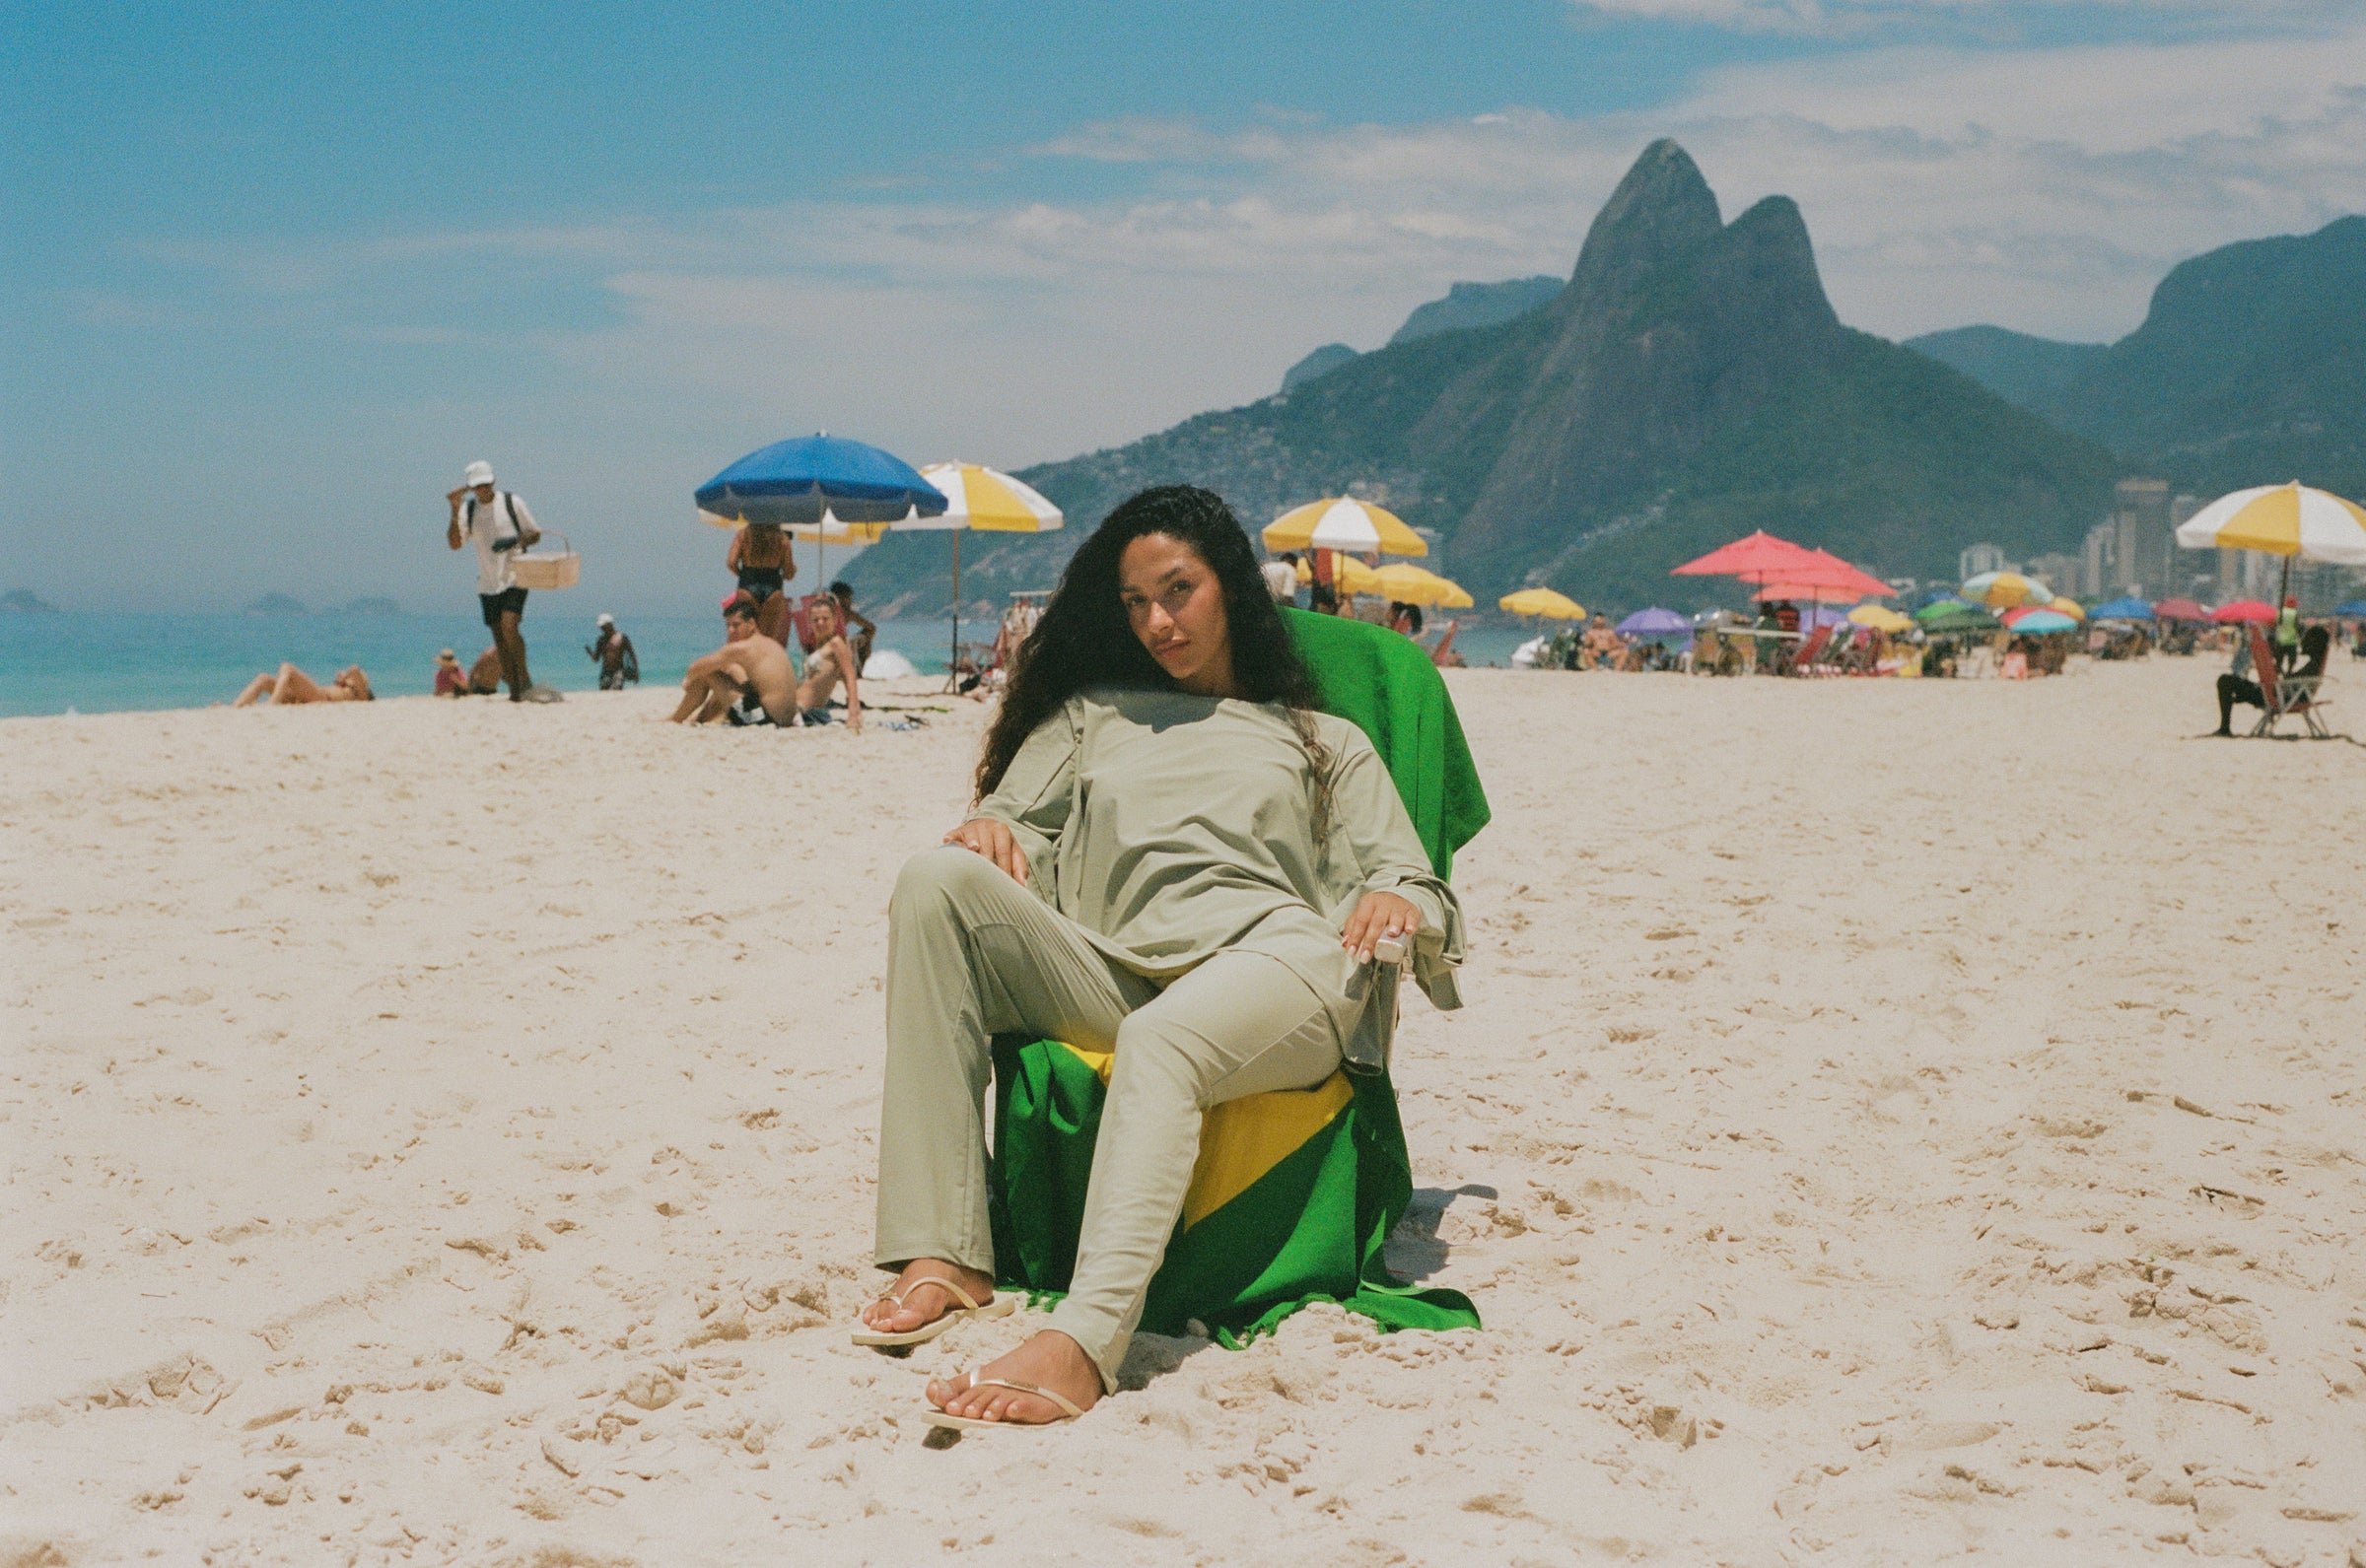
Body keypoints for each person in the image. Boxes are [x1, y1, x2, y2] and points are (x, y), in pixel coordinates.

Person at [854, 485, 1464, 1431]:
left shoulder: (1320, 738)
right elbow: (1012, 817)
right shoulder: (1091, 716)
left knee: (1163, 1040)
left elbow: (1414, 882)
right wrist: (990, 831)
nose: (1158, 622)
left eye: (1179, 590)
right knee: (933, 882)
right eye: (1136, 602)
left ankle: (1084, 1338)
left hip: (1279, 966)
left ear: (1232, 588)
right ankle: (944, 1251)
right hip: (1116, 968)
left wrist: (1397, 898)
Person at [445, 460, 559, 703]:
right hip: (488, 583)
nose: (483, 489)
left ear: (493, 481)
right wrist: (454, 510)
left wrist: (515, 541)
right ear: (471, 488)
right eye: (478, 486)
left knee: (510, 625)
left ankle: (525, 679)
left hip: (515, 576)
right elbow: (455, 544)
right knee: (499, 636)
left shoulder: (511, 502)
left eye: (486, 484)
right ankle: (515, 688)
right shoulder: (469, 510)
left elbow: (535, 533)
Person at [668, 593, 798, 725]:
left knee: (709, 673)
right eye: (728, 625)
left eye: (736, 625)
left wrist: (688, 681)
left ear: (751, 624)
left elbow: (695, 668)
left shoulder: (742, 648)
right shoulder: (771, 644)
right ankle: (699, 719)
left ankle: (675, 719)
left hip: (764, 720)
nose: (730, 630)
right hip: (785, 720)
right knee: (728, 680)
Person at [2214, 624, 2329, 735]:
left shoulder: (2312, 667)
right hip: (2279, 695)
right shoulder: (2313, 666)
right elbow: (2290, 682)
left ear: (2314, 643)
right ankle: (2229, 717)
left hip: (2275, 697)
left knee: (2225, 680)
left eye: (2306, 639)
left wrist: (2278, 675)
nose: (2302, 642)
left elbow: (2289, 683)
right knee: (2229, 681)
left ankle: (2225, 727)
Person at [796, 596, 865, 730]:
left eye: (825, 619)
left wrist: (853, 713)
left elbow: (849, 677)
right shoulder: (819, 648)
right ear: (810, 623)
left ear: (835, 620)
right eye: (815, 620)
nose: (820, 623)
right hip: (796, 708)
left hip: (807, 712)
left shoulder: (836, 644)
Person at [726, 522, 797, 647]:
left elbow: (731, 563)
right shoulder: (782, 538)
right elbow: (789, 573)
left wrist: (742, 574)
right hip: (773, 588)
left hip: (747, 585)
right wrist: (789, 572)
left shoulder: (743, 535)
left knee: (744, 641)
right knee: (767, 643)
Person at [234, 663, 373, 707]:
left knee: (287, 667)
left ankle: (272, 703)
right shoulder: (342, 688)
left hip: (321, 698)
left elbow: (355, 669)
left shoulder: (360, 694)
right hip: (303, 698)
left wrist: (345, 677)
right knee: (263, 678)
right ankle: (236, 706)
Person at [828, 580, 877, 670]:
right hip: (839, 648)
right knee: (868, 636)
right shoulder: (846, 612)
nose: (851, 601)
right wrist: (856, 639)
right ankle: (858, 671)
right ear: (842, 598)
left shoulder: (821, 611)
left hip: (818, 648)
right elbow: (871, 627)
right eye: (849, 598)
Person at [586, 613, 639, 691]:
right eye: (601, 627)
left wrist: (636, 672)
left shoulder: (622, 638)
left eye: (603, 626)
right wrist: (590, 652)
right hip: (605, 672)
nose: (602, 628)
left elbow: (632, 655)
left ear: (610, 625)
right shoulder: (601, 640)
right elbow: (596, 659)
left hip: (619, 671)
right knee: (604, 692)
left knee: (616, 691)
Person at [2272, 595, 2302, 674]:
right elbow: (2298, 626)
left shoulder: (2280, 612)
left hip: (2280, 640)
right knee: (2292, 659)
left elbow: (2276, 624)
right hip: (2291, 640)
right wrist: (2300, 637)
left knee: (2279, 659)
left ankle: (2280, 672)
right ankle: (2289, 672)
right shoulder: (2295, 613)